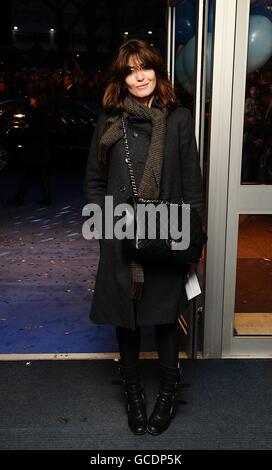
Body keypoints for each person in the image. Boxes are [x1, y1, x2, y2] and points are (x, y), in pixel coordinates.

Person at [84, 39, 204, 436]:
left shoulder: (179, 119)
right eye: (130, 70)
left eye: (145, 68)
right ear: (122, 78)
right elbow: (94, 182)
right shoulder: (109, 120)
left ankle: (168, 395)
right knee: (128, 320)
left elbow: (192, 186)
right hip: (121, 235)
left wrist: (192, 239)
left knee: (166, 319)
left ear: (157, 71)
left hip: (166, 234)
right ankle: (134, 396)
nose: (139, 76)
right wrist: (105, 234)